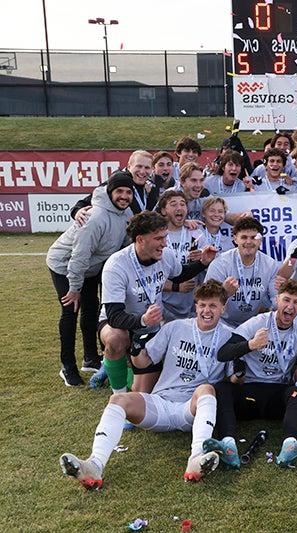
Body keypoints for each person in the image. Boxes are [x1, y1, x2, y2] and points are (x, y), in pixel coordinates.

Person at [59, 280, 234, 487]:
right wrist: (136, 348)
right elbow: (144, 361)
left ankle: (196, 458)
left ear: (223, 307)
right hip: (160, 402)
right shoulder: (175, 327)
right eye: (202, 305)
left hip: (191, 409)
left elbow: (232, 380)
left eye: (213, 305)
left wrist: (240, 367)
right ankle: (94, 464)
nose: (206, 310)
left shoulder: (230, 336)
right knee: (118, 399)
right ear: (195, 306)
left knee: (207, 389)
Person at [97, 212, 217, 395]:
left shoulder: (165, 255)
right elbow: (114, 316)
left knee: (146, 393)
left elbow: (179, 273)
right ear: (140, 239)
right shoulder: (116, 265)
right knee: (116, 340)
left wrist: (203, 263)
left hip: (149, 325)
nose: (165, 243)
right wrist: (143, 320)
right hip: (120, 323)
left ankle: (117, 363)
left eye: (165, 237)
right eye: (158, 238)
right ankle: (119, 395)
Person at [210, 280, 297, 467]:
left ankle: (290, 445)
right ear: (277, 300)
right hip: (249, 392)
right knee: (222, 389)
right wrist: (251, 345)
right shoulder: (258, 322)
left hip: (277, 395)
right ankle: (228, 445)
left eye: (296, 302)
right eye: (286, 300)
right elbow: (223, 353)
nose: (290, 307)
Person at [46, 171, 134, 386]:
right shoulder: (95, 218)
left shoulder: (126, 212)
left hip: (91, 269)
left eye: (128, 192)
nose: (124, 196)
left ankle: (90, 358)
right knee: (70, 311)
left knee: (92, 310)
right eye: (119, 191)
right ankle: (68, 366)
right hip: (64, 265)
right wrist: (74, 288)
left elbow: (125, 244)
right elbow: (78, 257)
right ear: (110, 192)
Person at [204, 217, 281, 328]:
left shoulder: (270, 264)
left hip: (254, 324)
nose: (249, 242)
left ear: (260, 240)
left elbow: (275, 299)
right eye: (244, 237)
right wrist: (224, 293)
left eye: (253, 237)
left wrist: (279, 304)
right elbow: (205, 301)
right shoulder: (220, 264)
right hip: (223, 323)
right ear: (235, 239)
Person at [70, 151, 158, 224]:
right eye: (138, 166)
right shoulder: (117, 182)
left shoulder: (150, 187)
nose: (142, 171)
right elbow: (84, 202)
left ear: (152, 169)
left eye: (147, 168)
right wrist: (77, 211)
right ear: (129, 166)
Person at [159, 190, 205, 321]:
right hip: (163, 307)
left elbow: (212, 260)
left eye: (183, 204)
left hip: (191, 307)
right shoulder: (158, 235)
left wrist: (203, 256)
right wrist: (176, 287)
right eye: (173, 204)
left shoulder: (195, 233)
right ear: (163, 211)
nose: (179, 208)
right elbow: (149, 275)